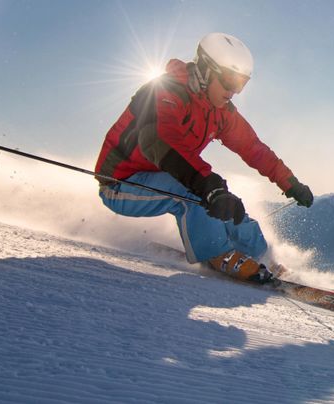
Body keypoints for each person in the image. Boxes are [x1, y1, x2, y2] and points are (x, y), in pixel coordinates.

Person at [94, 32, 313, 283]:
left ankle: (264, 257)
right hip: (121, 183)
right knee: (199, 194)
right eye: (229, 81)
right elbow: (159, 142)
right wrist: (209, 186)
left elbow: (253, 148)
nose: (234, 92)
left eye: (241, 84)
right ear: (206, 71)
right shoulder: (164, 92)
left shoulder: (220, 111)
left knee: (229, 205)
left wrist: (290, 182)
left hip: (168, 177)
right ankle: (217, 254)